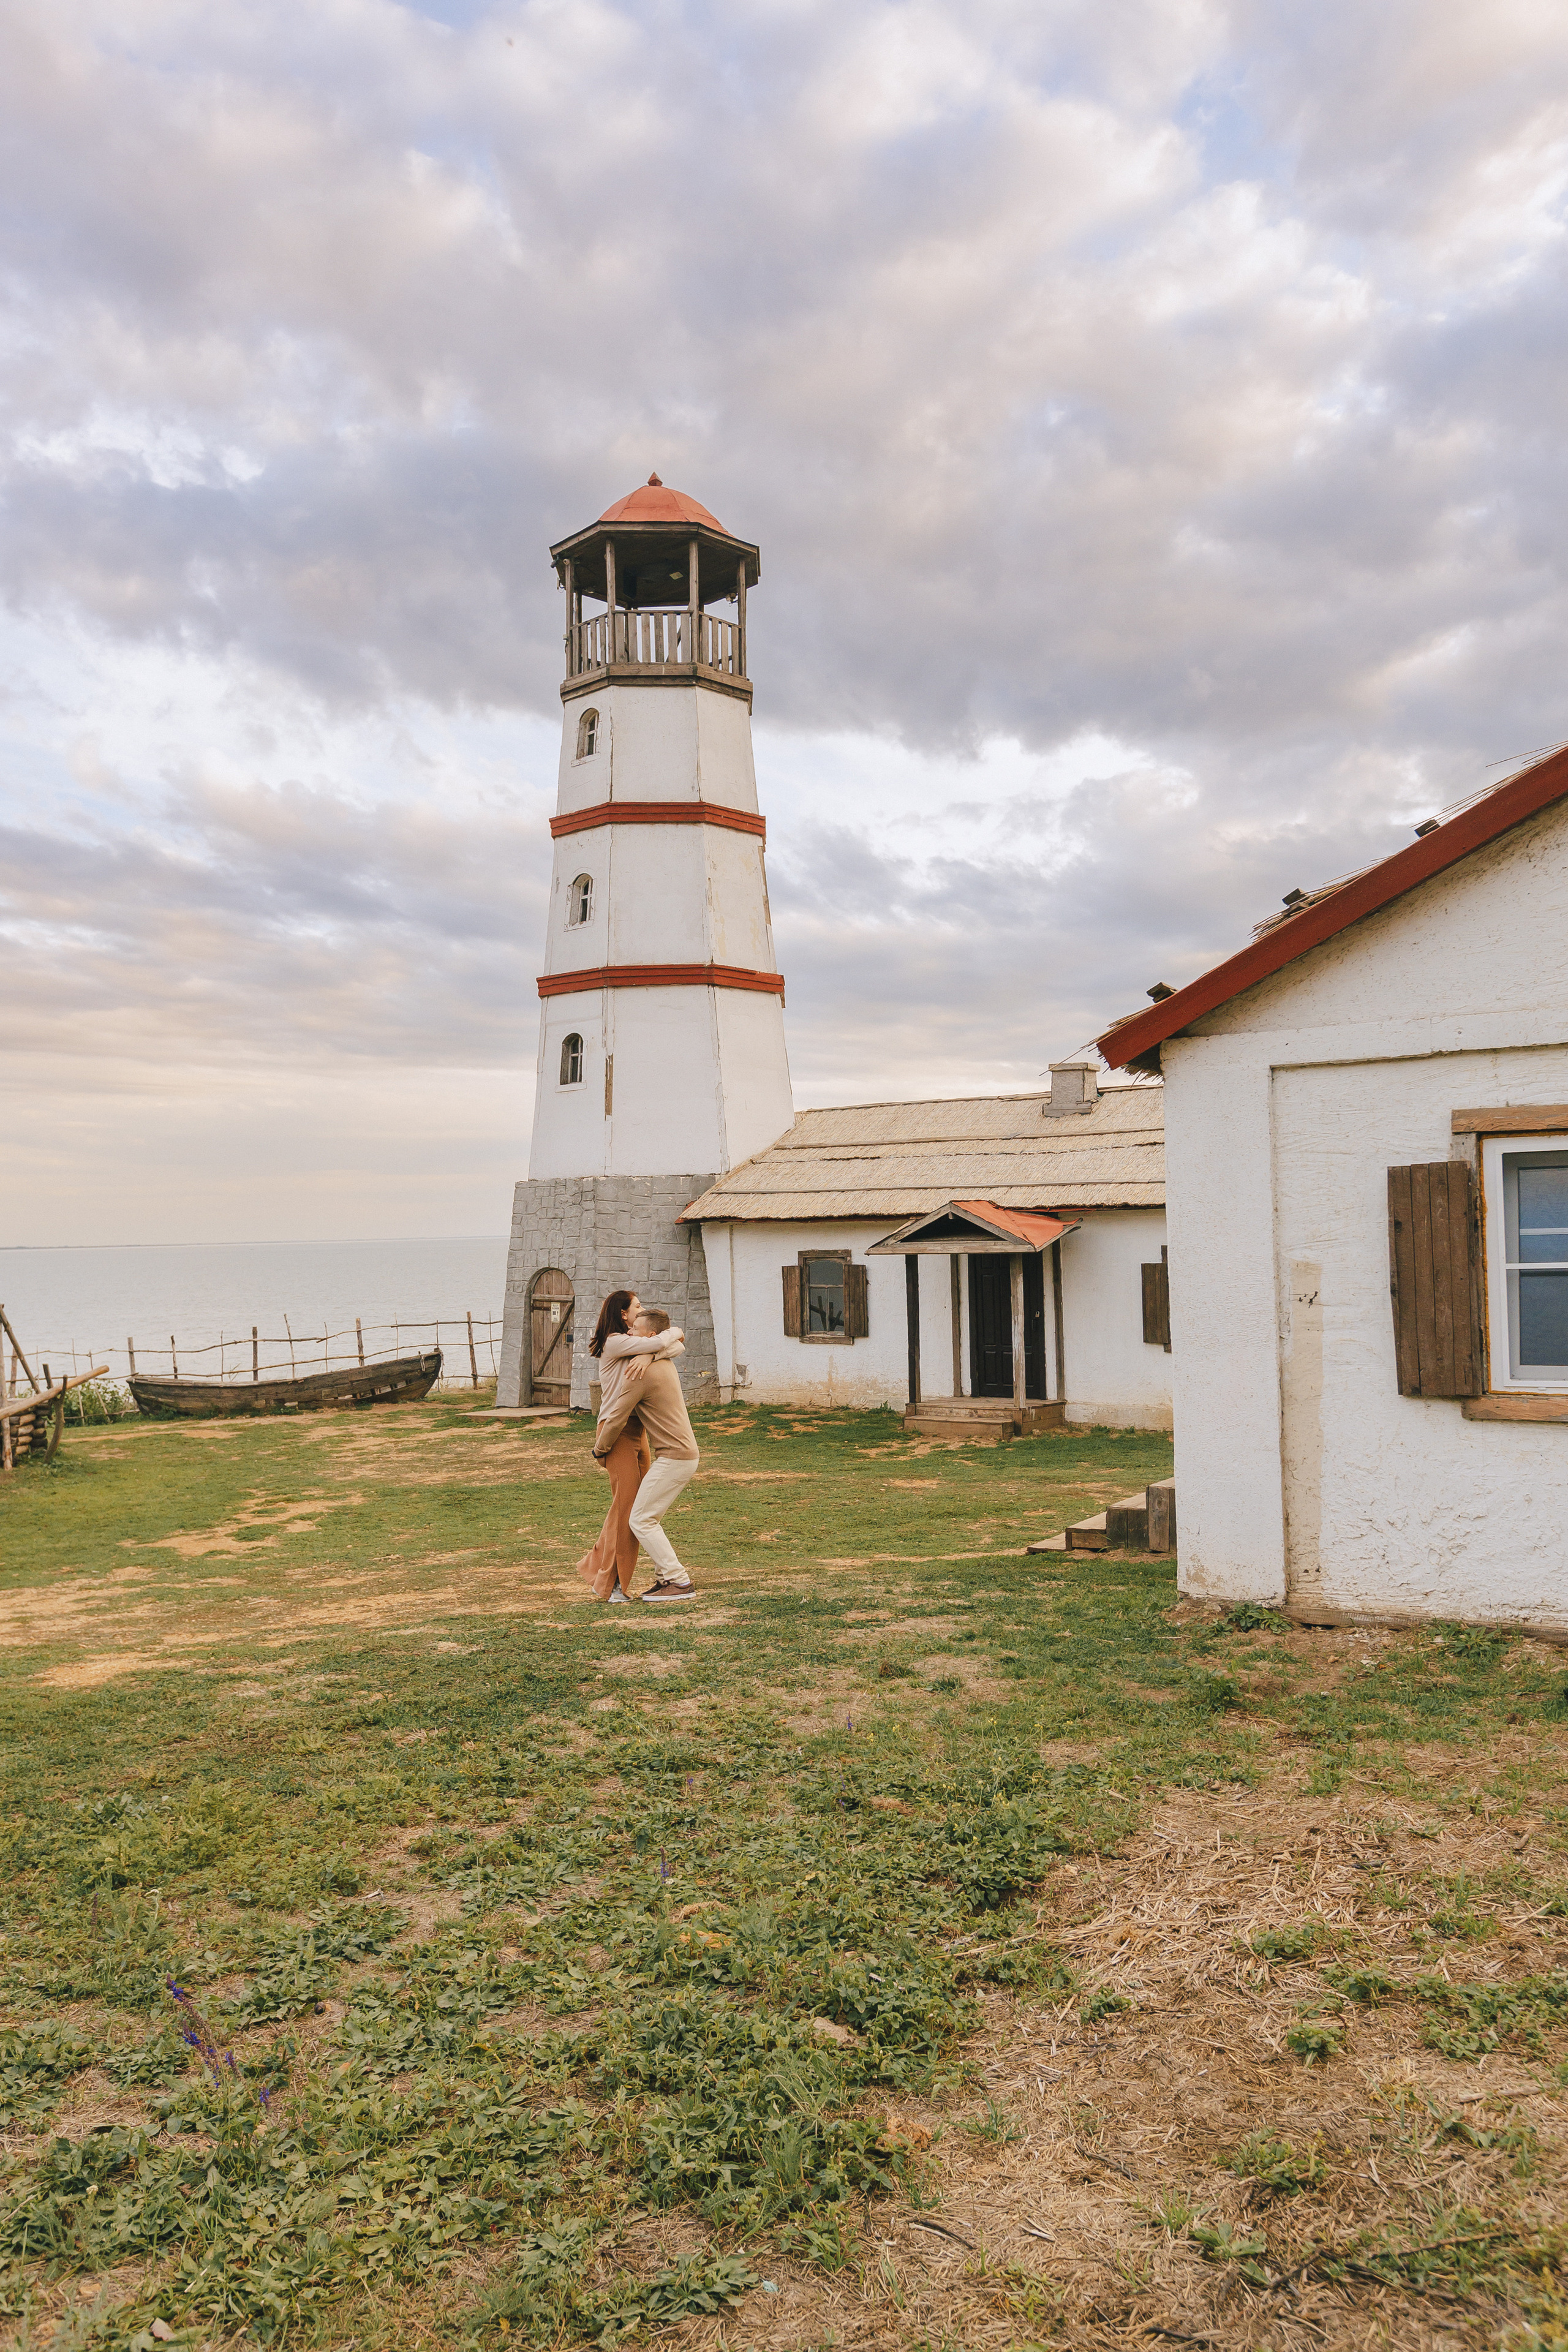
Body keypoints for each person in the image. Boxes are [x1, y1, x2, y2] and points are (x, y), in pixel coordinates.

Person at [576, 1290, 681, 1604]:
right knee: (627, 1511)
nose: (643, 1309)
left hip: (637, 1431)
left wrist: (650, 1354)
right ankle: (613, 1584)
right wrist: (654, 1348)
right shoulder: (615, 1341)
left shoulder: (636, 1343)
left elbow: (674, 1343)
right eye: (638, 1306)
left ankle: (599, 1571)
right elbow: (669, 1339)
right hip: (616, 1431)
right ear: (624, 1314)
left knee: (631, 1510)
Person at [595, 1306, 699, 1602]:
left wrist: (599, 1449)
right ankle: (665, 1578)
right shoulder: (662, 1361)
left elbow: (616, 1417)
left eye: (635, 1330)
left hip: (675, 1457)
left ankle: (678, 1581)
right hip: (681, 1455)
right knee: (647, 1516)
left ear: (651, 1336)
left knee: (641, 1519)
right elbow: (673, 1343)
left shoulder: (638, 1373)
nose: (629, 1333)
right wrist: (651, 1353)